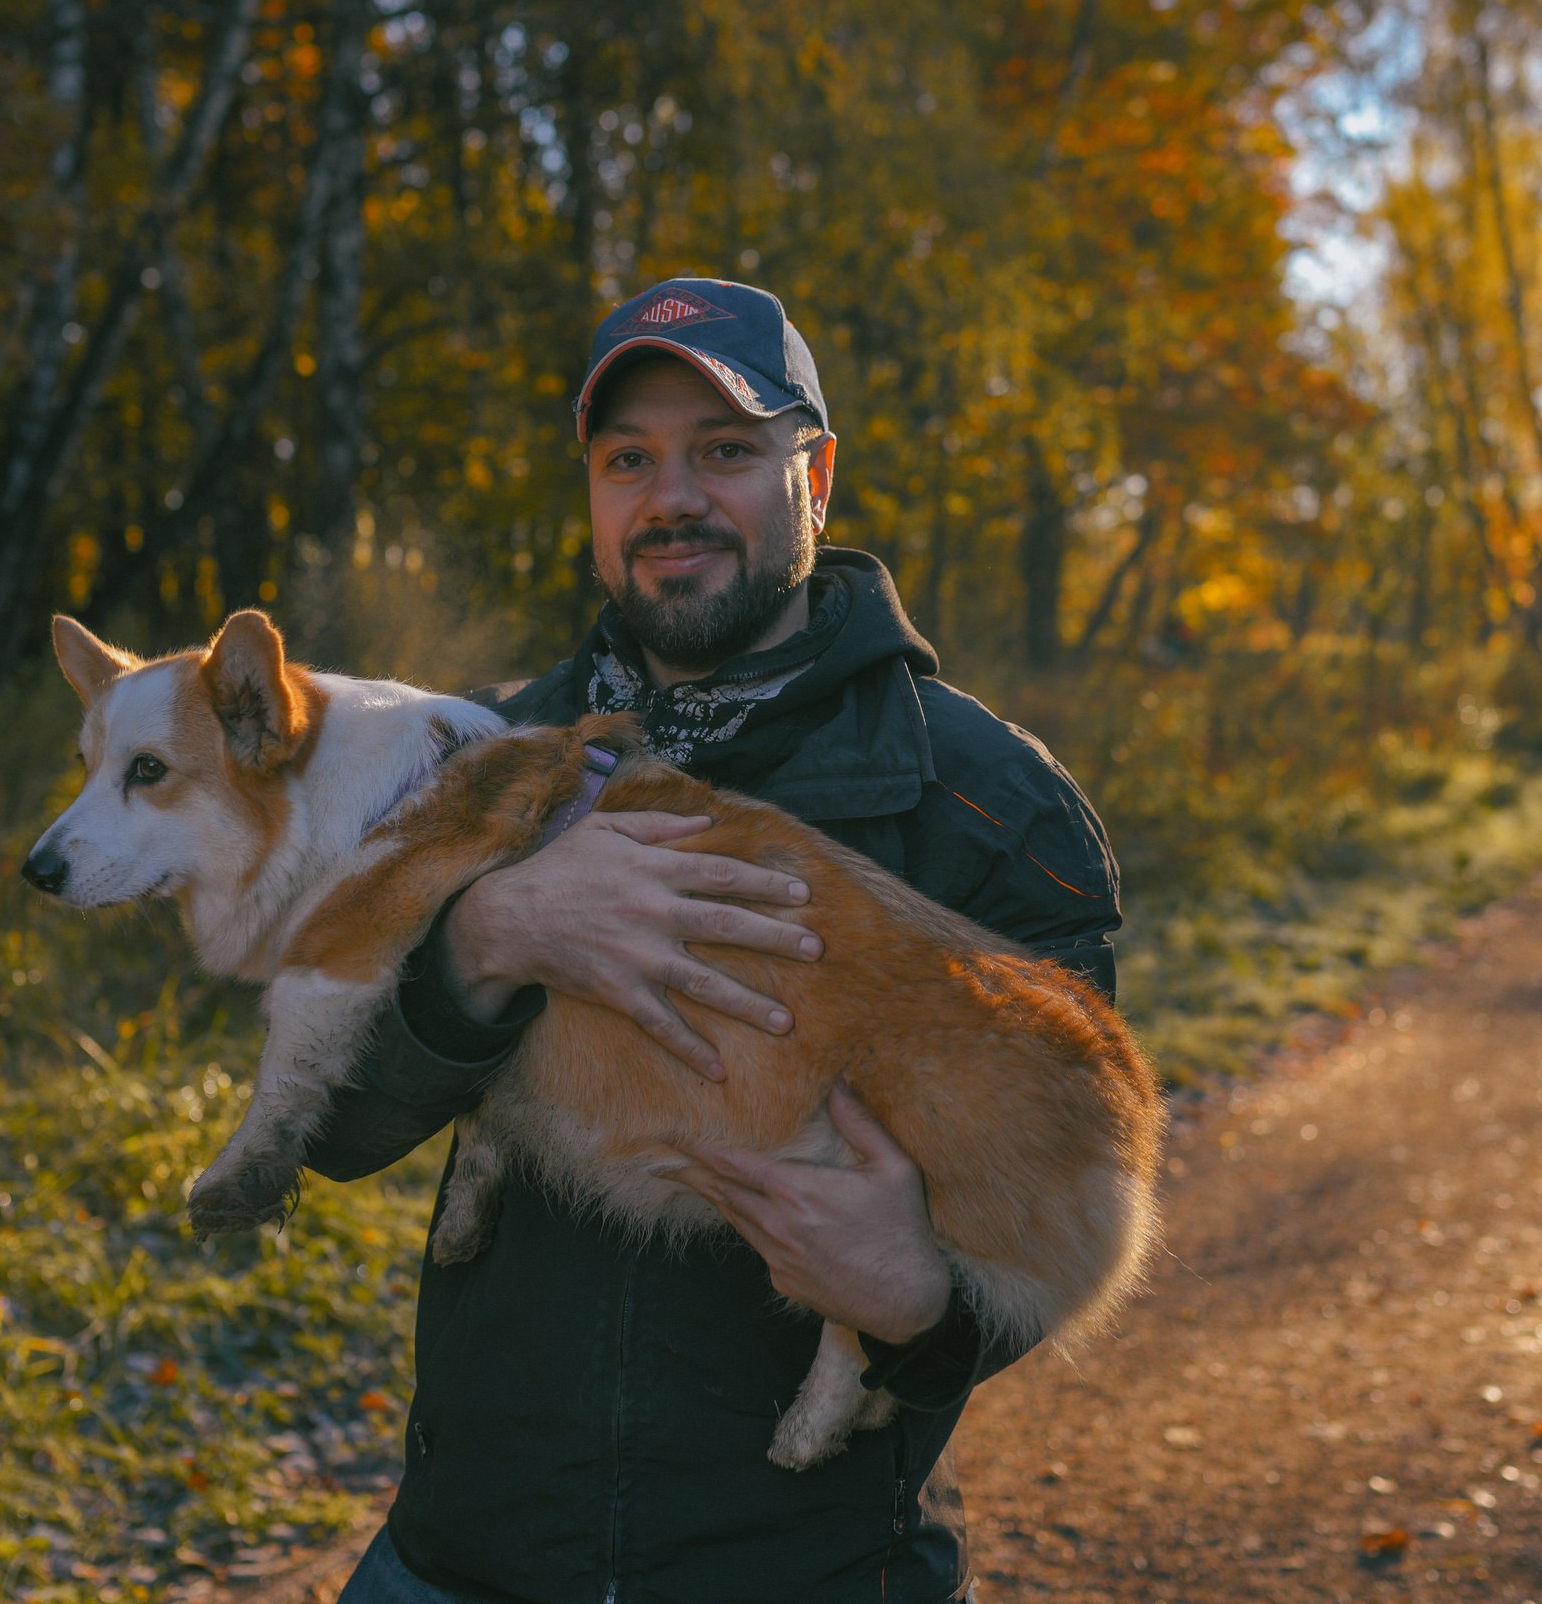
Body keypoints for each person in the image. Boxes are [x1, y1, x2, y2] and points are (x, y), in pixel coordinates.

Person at [302, 278, 1120, 1603]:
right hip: (466, 1558)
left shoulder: (984, 807)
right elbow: (329, 1121)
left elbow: (1066, 1211)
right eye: (630, 459)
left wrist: (920, 1300)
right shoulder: (481, 756)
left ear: (818, 475)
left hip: (814, 1570)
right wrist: (490, 936)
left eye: (726, 450)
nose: (670, 497)